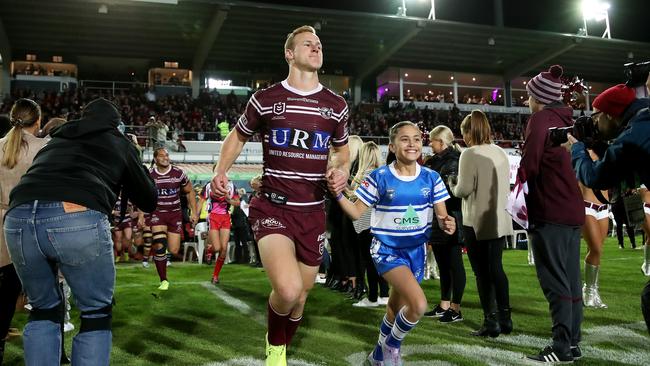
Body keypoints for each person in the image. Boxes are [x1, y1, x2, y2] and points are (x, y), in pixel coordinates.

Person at [210, 25, 350, 366]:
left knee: (300, 297)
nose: (316, 47)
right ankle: (275, 350)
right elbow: (238, 137)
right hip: (272, 207)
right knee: (286, 290)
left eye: (319, 44)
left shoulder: (336, 105)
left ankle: (282, 341)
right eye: (308, 44)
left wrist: (341, 169)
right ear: (289, 53)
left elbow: (343, 153)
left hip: (313, 210)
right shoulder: (267, 99)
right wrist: (220, 170)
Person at [3, 98, 156, 366]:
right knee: (96, 312)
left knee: (43, 310)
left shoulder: (58, 139)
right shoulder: (117, 141)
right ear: (114, 123)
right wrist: (135, 155)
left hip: (18, 218)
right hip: (75, 214)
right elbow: (148, 199)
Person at [334, 121, 456, 366]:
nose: (412, 144)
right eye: (404, 139)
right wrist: (336, 193)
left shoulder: (432, 177)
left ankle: (378, 355)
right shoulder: (378, 177)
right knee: (418, 305)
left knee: (394, 307)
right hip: (386, 250)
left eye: (416, 139)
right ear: (391, 145)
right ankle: (392, 346)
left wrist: (447, 223)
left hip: (416, 252)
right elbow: (357, 213)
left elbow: (442, 215)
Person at [567, 83, 650, 335]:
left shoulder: (633, 134)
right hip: (589, 207)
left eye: (598, 116)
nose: (596, 122)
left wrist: (578, 147)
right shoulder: (643, 118)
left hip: (601, 204)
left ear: (611, 115)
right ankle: (589, 290)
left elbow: (596, 176)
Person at [519, 65, 585, 363]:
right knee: (571, 279)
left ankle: (561, 345)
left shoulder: (541, 118)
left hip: (550, 208)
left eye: (529, 96)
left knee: (555, 279)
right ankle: (572, 343)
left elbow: (530, 165)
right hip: (572, 208)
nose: (527, 101)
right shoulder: (565, 119)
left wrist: (516, 183)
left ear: (539, 97)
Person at [449, 110, 512, 337]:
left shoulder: (469, 154)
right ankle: (505, 318)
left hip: (476, 220)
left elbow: (463, 190)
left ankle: (491, 321)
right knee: (497, 268)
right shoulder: (500, 152)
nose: (463, 137)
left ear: (469, 131)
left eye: (463, 132)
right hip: (499, 218)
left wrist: (451, 183)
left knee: (482, 273)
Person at [0, 99, 47, 365]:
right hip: (33, 226)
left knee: (6, 295)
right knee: (42, 297)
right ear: (38, 120)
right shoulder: (46, 148)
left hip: (2, 225)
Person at [423, 125, 467, 324]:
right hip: (436, 217)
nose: (430, 143)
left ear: (441, 142)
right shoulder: (433, 161)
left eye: (432, 140)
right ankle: (444, 304)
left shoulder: (455, 161)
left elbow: (449, 192)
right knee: (442, 262)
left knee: (454, 264)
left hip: (451, 216)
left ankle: (456, 308)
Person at [140, 147, 198, 290]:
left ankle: (162, 256)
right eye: (162, 156)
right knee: (159, 243)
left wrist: (194, 212)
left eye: (167, 155)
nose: (166, 157)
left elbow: (189, 191)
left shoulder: (178, 173)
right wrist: (141, 215)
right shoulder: (150, 175)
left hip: (174, 214)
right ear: (155, 159)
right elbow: (143, 195)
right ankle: (163, 280)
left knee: (173, 249)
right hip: (157, 213)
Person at [348, 141, 390, 308]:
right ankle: (384, 294)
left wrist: (346, 191)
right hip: (381, 223)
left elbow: (358, 200)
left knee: (370, 261)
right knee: (380, 260)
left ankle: (372, 297)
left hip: (366, 223)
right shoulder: (384, 174)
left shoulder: (366, 176)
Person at [198, 172, 239, 284]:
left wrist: (228, 200)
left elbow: (237, 203)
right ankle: (209, 249)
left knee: (224, 248)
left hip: (225, 217)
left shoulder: (231, 186)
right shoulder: (208, 185)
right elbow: (201, 200)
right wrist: (195, 214)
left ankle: (215, 275)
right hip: (213, 217)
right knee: (217, 248)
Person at [579, 178, 610, 309]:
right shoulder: (579, 156)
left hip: (603, 208)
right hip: (586, 205)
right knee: (596, 249)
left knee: (596, 250)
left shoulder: (608, 158)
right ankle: (588, 291)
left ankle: (594, 291)